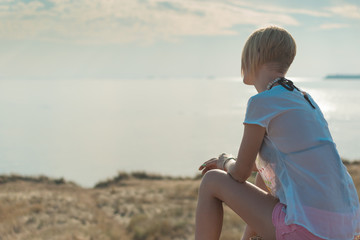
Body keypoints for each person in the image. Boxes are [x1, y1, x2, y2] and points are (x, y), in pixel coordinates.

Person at [195, 25, 360, 240]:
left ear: (256, 56)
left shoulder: (262, 102)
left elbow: (240, 173)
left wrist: (224, 161)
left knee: (212, 181)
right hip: (343, 226)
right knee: (267, 173)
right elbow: (281, 163)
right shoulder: (305, 99)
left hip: (307, 228)